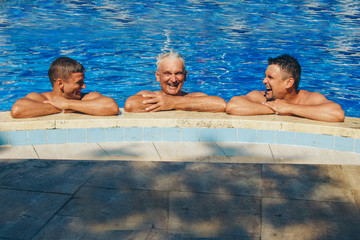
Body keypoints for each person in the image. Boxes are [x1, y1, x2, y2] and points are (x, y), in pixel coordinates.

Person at [226, 54, 345, 122]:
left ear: (288, 83)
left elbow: (337, 113)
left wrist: (289, 108)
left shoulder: (308, 99)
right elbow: (233, 106)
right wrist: (278, 109)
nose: (264, 81)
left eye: (270, 77)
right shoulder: (261, 97)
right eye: (265, 76)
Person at [11, 57, 119, 118]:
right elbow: (18, 110)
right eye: (79, 82)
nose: (84, 86)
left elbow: (112, 107)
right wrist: (65, 107)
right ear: (60, 84)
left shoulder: (86, 97)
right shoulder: (41, 98)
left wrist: (67, 104)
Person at [124, 51, 226, 113]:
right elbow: (130, 104)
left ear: (185, 76)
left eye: (178, 73)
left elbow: (221, 104)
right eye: (168, 73)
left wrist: (172, 102)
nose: (173, 79)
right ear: (157, 76)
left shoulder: (196, 97)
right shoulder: (149, 96)